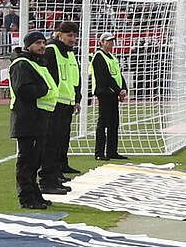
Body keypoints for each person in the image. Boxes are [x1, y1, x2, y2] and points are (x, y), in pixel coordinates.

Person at [10, 31, 56, 209]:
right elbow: (23, 89)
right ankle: (27, 198)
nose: (42, 46)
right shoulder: (22, 64)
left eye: (43, 43)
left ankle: (34, 194)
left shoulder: (36, 63)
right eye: (38, 43)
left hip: (38, 118)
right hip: (27, 119)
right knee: (27, 161)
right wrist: (43, 89)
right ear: (28, 45)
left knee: (35, 160)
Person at [40, 21, 81, 195]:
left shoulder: (69, 53)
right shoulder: (52, 50)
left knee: (60, 141)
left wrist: (76, 98)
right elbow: (48, 76)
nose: (73, 39)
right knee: (50, 142)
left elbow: (74, 78)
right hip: (55, 103)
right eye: (69, 35)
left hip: (67, 102)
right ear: (59, 34)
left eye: (74, 35)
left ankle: (55, 174)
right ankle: (47, 179)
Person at [90, 32, 129, 161]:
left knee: (114, 123)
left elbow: (118, 74)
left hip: (113, 93)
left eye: (112, 40)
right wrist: (119, 90)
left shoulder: (112, 57)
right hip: (104, 93)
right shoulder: (99, 57)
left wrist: (124, 89)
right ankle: (99, 152)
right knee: (103, 122)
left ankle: (112, 151)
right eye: (108, 41)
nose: (111, 42)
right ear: (101, 42)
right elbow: (105, 77)